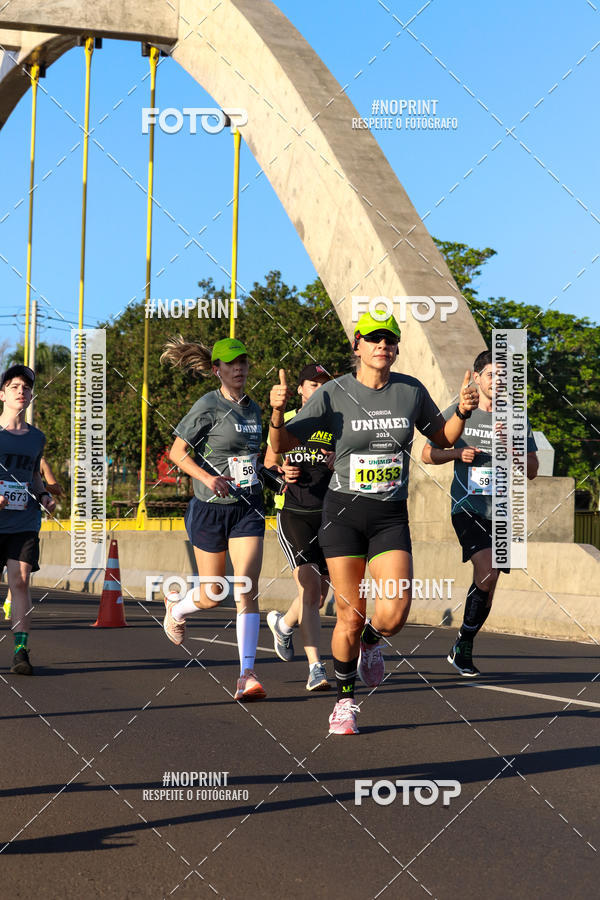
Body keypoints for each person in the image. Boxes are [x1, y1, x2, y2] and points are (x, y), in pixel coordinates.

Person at [269, 312, 479, 734]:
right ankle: (344, 703)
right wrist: (276, 413)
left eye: (389, 339)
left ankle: (371, 642)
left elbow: (443, 438)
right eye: (373, 338)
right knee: (349, 615)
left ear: (396, 348)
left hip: (389, 516)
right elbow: (282, 444)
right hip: (343, 515)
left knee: (394, 614)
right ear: (358, 346)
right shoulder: (333, 393)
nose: (382, 345)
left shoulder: (410, 390)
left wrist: (462, 410)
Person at [160, 336, 267, 701]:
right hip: (210, 509)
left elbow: (252, 460)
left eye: (243, 362)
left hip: (247, 507)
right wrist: (207, 478)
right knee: (212, 595)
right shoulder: (208, 405)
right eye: (230, 364)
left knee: (246, 587)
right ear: (217, 369)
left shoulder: (254, 410)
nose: (238, 369)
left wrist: (271, 472)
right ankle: (177, 608)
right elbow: (177, 452)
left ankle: (246, 674)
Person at [421, 349, 538, 676]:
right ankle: (464, 645)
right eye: (491, 375)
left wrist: (513, 449)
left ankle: (463, 644)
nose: (497, 381)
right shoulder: (462, 410)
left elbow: (532, 469)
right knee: (487, 570)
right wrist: (457, 453)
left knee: (490, 583)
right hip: (467, 506)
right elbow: (428, 453)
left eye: (503, 376)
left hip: (501, 511)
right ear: (477, 378)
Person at [264, 363, 334, 692]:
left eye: (324, 384)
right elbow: (267, 464)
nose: (319, 389)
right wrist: (283, 474)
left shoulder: (338, 421)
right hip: (294, 514)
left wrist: (338, 461)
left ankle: (283, 624)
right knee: (309, 588)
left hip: (331, 515)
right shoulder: (287, 420)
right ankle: (315, 667)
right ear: (301, 389)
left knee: (318, 598)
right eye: (313, 384)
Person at [0, 364, 56, 675]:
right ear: (2, 395)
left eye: (26, 388)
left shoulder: (37, 438)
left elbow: (33, 475)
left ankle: (20, 651)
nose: (21, 391)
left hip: (24, 521)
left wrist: (44, 495)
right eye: (15, 387)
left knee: (20, 581)